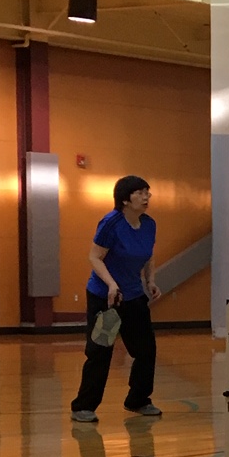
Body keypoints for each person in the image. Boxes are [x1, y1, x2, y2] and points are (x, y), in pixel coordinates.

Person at [70, 175, 160, 423]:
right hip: (105, 298)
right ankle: (83, 406)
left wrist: (150, 281)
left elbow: (149, 256)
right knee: (100, 351)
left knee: (146, 350)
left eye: (147, 192)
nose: (146, 197)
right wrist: (111, 284)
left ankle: (138, 400)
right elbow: (95, 257)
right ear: (124, 199)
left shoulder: (149, 224)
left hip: (133, 296)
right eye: (140, 192)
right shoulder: (111, 223)